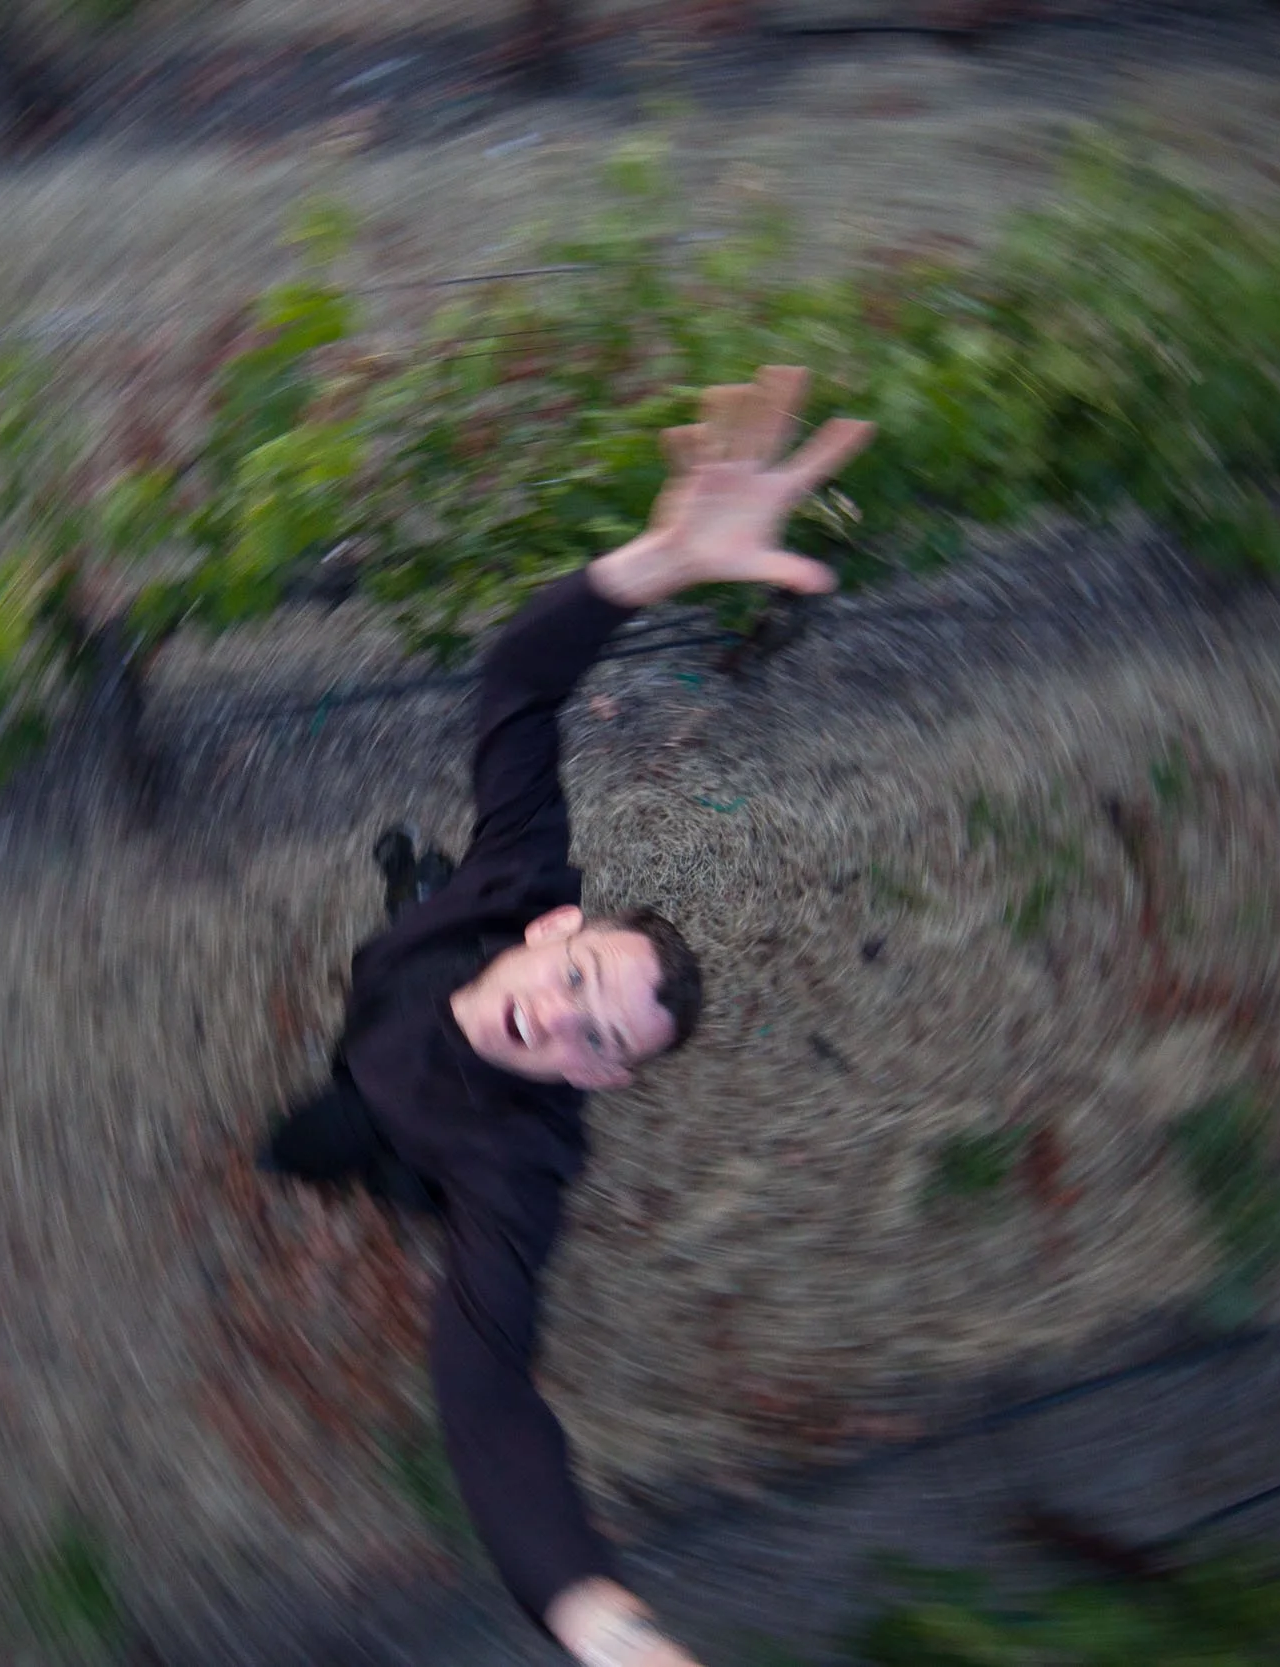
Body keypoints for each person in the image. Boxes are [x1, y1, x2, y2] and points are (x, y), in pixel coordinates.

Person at [259, 365, 875, 1667]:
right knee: (401, 917)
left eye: (602, 1042)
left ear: (600, 1083)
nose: (566, 1022)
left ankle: (363, 1166)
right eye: (585, 980)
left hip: (396, 1121)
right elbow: (520, 687)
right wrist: (657, 563)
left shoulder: (519, 1168)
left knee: (329, 1150)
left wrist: (597, 1619)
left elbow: (488, 1403)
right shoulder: (523, 873)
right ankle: (401, 898)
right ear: (558, 928)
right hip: (390, 993)